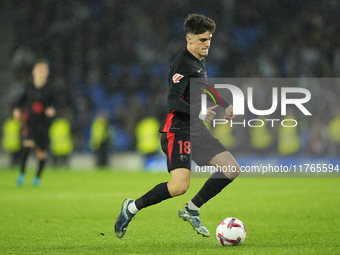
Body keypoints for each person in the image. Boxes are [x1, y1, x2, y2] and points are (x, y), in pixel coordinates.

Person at [114, 14, 240, 238]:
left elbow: (205, 89)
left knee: (231, 169)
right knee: (179, 186)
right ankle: (131, 207)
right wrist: (199, 112)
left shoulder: (198, 61)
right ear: (189, 40)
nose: (208, 44)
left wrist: (225, 104)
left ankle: (192, 209)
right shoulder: (182, 63)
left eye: (209, 39)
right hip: (178, 130)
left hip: (197, 130)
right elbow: (172, 100)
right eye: (203, 40)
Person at [13, 59, 56, 186]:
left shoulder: (50, 89)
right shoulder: (29, 87)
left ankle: (37, 177)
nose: (41, 73)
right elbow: (20, 100)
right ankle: (21, 174)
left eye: (43, 70)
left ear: (47, 73)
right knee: (27, 144)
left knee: (42, 153)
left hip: (43, 124)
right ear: (34, 72)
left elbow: (55, 103)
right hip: (30, 122)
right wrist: (16, 109)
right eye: (39, 70)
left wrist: (52, 109)